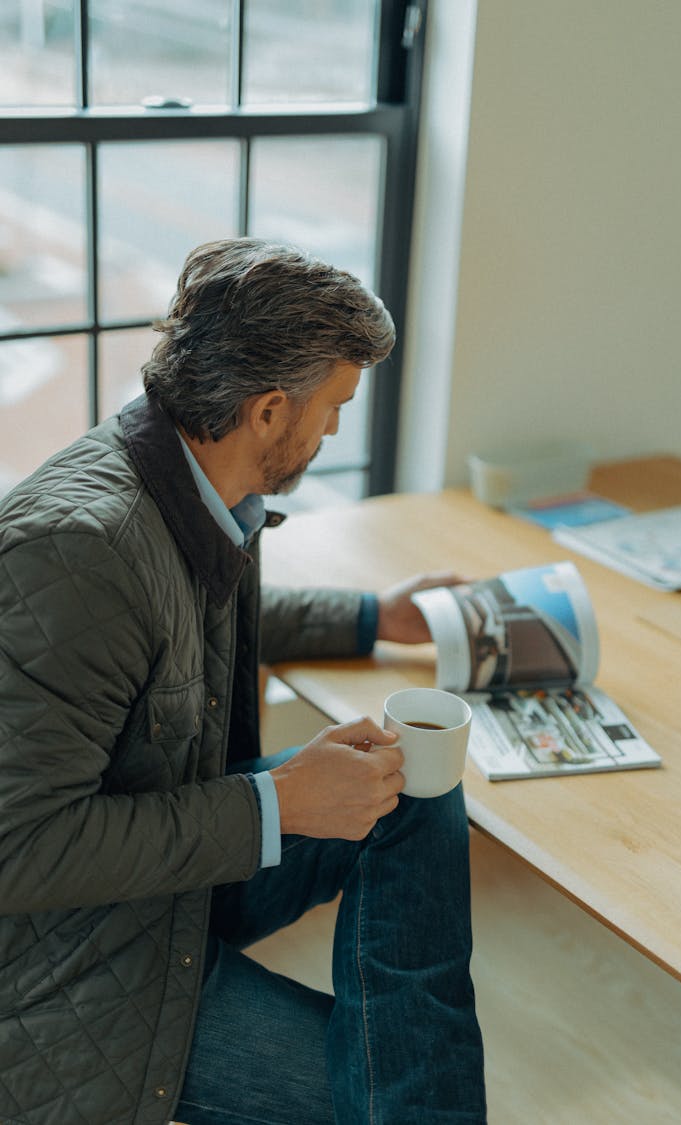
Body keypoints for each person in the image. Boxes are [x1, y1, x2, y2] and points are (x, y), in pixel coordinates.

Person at [0, 238, 486, 1125]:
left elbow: (177, 619)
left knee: (415, 784)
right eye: (334, 405)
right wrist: (282, 806)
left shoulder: (180, 477)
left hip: (172, 876)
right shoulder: (78, 547)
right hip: (74, 963)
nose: (335, 427)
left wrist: (377, 616)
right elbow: (18, 849)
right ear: (268, 411)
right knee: (388, 1098)